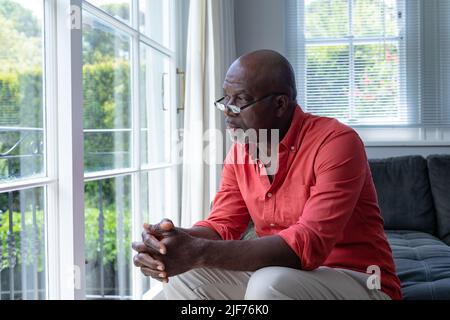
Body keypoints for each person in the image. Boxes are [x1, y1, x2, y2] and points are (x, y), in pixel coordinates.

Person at [132, 49, 402, 300]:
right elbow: (221, 226)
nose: (227, 111)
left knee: (270, 282)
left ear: (281, 104)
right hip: (285, 275)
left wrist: (198, 252)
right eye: (225, 99)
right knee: (186, 278)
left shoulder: (336, 142)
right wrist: (174, 243)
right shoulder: (240, 153)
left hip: (362, 281)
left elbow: (308, 244)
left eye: (240, 100)